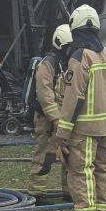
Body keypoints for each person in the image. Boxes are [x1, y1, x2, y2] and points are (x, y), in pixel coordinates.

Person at [52, 4, 106, 211]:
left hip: (84, 129)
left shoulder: (79, 57)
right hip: (104, 127)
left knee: (80, 173)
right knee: (101, 171)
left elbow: (73, 98)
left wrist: (62, 133)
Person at [25, 24, 72, 200]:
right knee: (45, 155)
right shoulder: (47, 64)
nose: (70, 50)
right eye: (69, 46)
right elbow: (45, 95)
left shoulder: (66, 64)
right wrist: (56, 119)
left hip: (64, 119)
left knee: (70, 156)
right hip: (47, 120)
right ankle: (36, 193)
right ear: (60, 44)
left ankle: (69, 192)